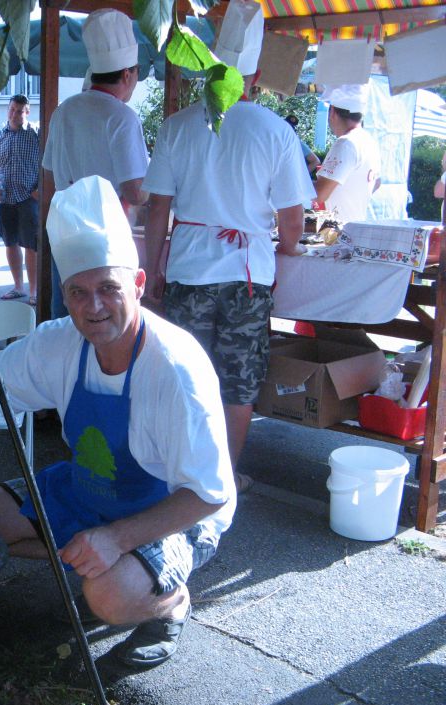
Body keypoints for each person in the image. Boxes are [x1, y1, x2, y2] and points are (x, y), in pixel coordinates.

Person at [0, 175, 235, 670]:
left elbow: (210, 493)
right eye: (78, 292)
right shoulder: (59, 343)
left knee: (109, 598)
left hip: (176, 509)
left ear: (137, 285)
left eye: (108, 288)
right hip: (87, 486)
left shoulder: (176, 370)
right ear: (65, 295)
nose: (93, 307)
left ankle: (170, 599)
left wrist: (117, 538)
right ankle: (91, 555)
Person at [141, 0, 314, 495]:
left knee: (182, 376)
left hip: (189, 272)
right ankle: (223, 481)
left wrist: (152, 268)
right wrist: (289, 243)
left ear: (209, 66)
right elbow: (292, 224)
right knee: (238, 382)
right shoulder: (275, 131)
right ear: (256, 73)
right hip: (246, 277)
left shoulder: (176, 126)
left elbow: (158, 210)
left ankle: (176, 473)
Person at [42, 8, 148, 319]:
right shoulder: (122, 118)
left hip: (65, 231)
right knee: (104, 321)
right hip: (106, 238)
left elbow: (48, 177)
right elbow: (134, 191)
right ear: (127, 74)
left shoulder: (64, 111)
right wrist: (159, 191)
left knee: (65, 319)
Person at [0, 95, 40, 303]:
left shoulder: (36, 135)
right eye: (12, 110)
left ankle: (34, 291)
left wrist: (39, 189)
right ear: (8, 110)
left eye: (20, 110)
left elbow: (48, 163)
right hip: (5, 198)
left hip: (28, 197)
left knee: (31, 245)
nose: (15, 114)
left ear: (27, 112)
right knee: (10, 243)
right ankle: (18, 286)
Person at [313, 84, 381, 224]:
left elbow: (319, 194)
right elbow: (377, 182)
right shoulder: (369, 141)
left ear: (332, 112)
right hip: (354, 228)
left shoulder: (346, 143)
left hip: (336, 234)